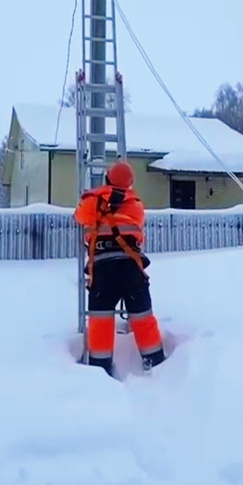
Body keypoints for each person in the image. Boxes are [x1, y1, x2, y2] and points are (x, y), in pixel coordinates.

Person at [73, 160, 166, 376]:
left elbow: (79, 217)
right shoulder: (136, 205)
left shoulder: (92, 200)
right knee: (143, 317)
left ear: (107, 177)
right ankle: (156, 362)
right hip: (130, 266)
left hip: (103, 268)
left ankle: (100, 366)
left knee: (100, 320)